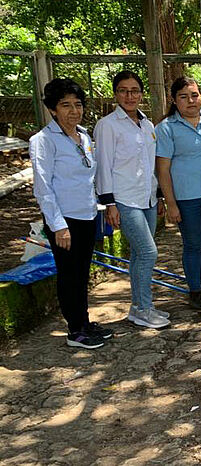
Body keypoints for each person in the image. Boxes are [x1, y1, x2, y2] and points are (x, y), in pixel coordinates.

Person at [31, 78, 114, 348]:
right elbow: (43, 187)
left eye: (77, 104)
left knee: (82, 272)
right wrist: (58, 226)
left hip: (87, 214)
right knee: (69, 274)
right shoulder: (43, 141)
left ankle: (85, 321)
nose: (73, 111)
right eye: (65, 105)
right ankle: (75, 330)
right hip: (64, 219)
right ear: (52, 109)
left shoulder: (83, 135)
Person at [95, 70, 170, 328]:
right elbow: (103, 166)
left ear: (141, 93)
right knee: (148, 251)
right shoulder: (107, 125)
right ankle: (142, 307)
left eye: (134, 91)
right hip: (124, 198)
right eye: (123, 91)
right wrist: (109, 204)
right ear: (116, 94)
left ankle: (140, 307)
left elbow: (151, 164)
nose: (130, 96)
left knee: (140, 254)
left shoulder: (147, 125)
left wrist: (159, 196)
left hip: (147, 196)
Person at [156, 77, 201, 310]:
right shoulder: (166, 128)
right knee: (193, 244)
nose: (190, 101)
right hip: (185, 198)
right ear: (174, 101)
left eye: (194, 95)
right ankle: (195, 291)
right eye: (183, 97)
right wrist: (171, 204)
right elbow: (163, 169)